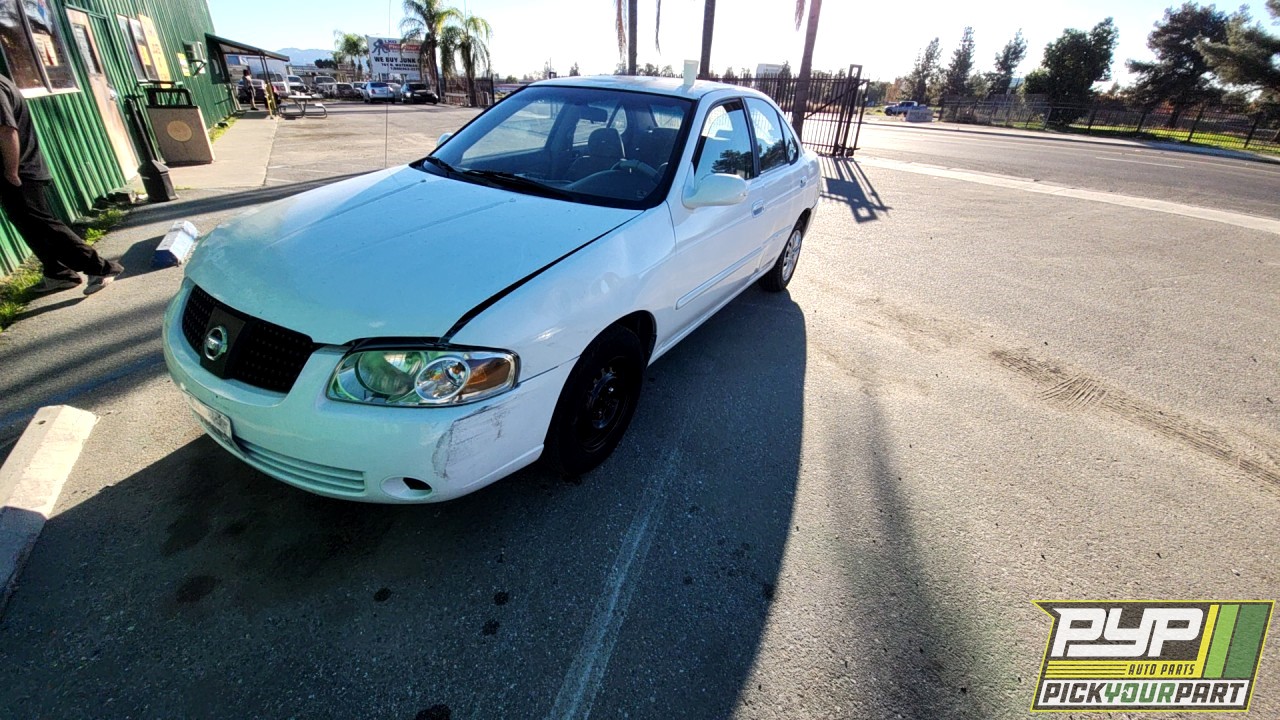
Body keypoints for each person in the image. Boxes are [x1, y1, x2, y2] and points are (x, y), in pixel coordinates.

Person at [0, 73, 121, 294]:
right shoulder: (3, 81)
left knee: (42, 224)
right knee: (28, 224)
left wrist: (10, 171)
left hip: (18, 170)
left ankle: (101, 268)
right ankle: (57, 273)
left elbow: (7, 130)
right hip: (20, 169)